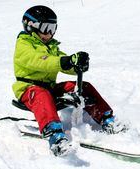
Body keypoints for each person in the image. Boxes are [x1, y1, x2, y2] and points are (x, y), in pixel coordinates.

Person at [12, 5, 126, 156]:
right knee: (42, 95)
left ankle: (106, 119)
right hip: (29, 89)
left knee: (83, 86)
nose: (49, 33)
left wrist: (76, 63)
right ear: (30, 26)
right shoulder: (24, 45)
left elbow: (63, 64)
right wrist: (64, 61)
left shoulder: (51, 46)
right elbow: (40, 60)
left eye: (53, 28)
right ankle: (55, 137)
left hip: (49, 88)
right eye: (45, 28)